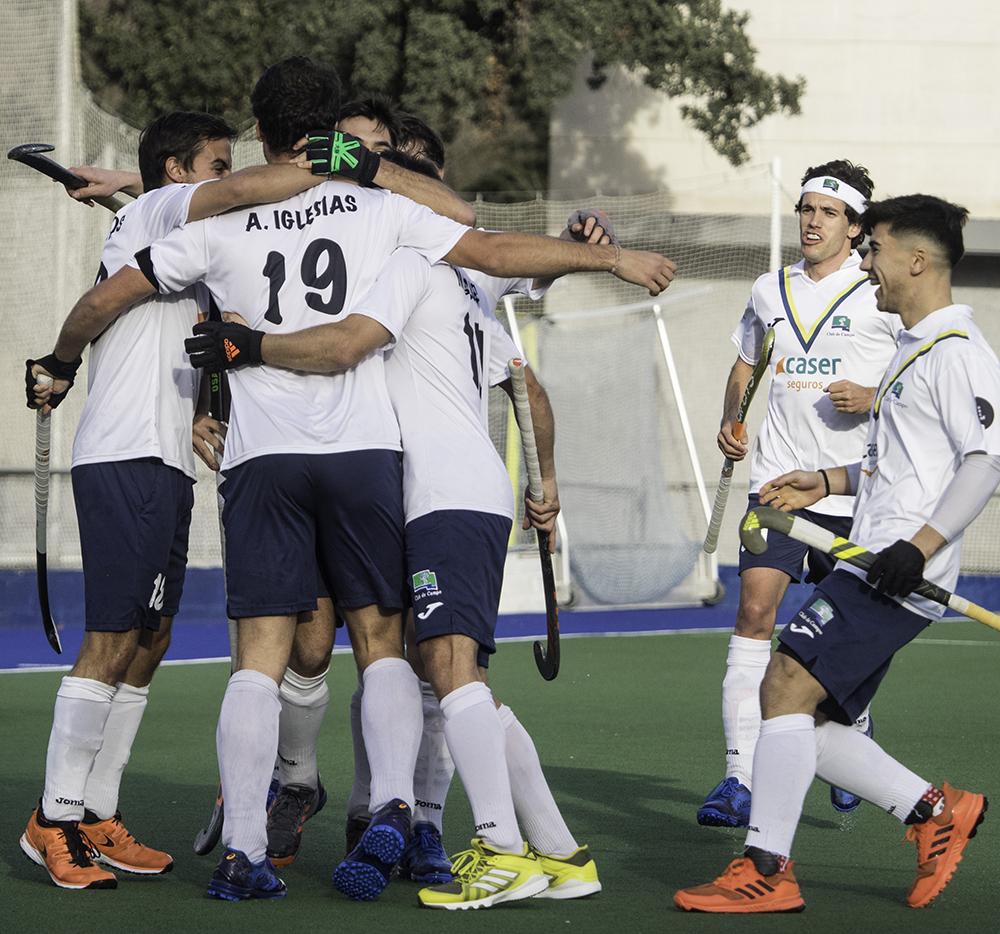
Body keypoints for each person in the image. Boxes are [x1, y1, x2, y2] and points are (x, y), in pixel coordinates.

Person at [38, 55, 675, 902]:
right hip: (365, 456)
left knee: (260, 660)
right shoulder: (384, 207)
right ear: (335, 129)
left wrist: (60, 360)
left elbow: (119, 290)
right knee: (383, 648)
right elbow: (479, 237)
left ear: (261, 133)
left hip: (261, 457)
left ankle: (244, 851)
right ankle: (397, 809)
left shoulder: (219, 220)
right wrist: (614, 261)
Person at [189, 151, 607, 910]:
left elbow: (350, 340)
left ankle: (483, 840)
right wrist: (542, 485)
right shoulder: (456, 282)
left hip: (438, 494)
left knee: (443, 672)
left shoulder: (416, 264)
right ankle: (549, 847)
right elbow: (525, 371)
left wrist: (243, 349)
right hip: (424, 492)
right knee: (427, 669)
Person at [19, 110, 335, 891]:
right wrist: (57, 364)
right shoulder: (161, 210)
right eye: (215, 162)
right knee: (111, 639)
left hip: (164, 463)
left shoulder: (171, 224)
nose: (229, 175)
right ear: (175, 172)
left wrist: (204, 405)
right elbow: (243, 195)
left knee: (150, 639)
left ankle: (96, 812)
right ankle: (53, 819)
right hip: (124, 454)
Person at [675, 194, 997, 913]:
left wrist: (918, 549)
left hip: (900, 566)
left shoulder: (957, 353)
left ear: (916, 260)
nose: (866, 263)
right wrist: (824, 480)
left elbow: (984, 464)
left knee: (783, 682)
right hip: (875, 554)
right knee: (808, 720)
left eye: (874, 248)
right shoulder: (912, 351)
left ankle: (767, 868)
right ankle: (935, 813)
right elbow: (894, 464)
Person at [698, 160, 900, 828]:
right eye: (806, 209)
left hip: (856, 493)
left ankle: (850, 734)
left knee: (843, 640)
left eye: (829, 212)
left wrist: (873, 397)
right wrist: (733, 418)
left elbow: (916, 380)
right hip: (775, 487)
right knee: (755, 614)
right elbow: (746, 365)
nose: (813, 221)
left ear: (855, 228)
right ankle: (737, 778)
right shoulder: (768, 288)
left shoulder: (879, 292)